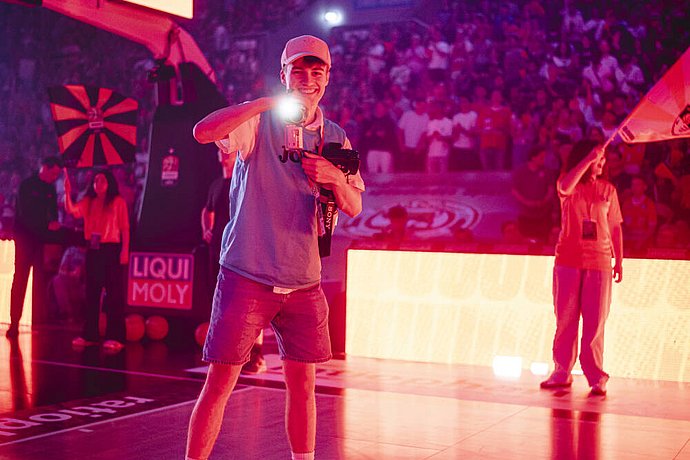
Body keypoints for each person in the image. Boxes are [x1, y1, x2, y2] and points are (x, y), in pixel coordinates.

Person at [186, 35, 364, 460]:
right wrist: (266, 104)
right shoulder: (257, 122)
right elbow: (203, 132)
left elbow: (354, 206)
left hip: (304, 281)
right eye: (297, 71)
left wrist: (334, 179)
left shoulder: (336, 136)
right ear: (283, 75)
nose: (307, 80)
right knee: (220, 384)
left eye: (316, 71)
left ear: (328, 78)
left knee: (303, 387)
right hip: (247, 275)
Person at [540, 140, 623, 396]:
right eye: (598, 159)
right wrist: (588, 158)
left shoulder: (608, 190)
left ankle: (596, 376)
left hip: (599, 261)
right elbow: (564, 186)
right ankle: (561, 371)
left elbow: (615, 226)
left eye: (603, 159)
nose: (602, 163)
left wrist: (619, 260)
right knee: (565, 318)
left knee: (595, 321)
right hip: (568, 260)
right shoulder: (568, 183)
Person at [200, 149, 266, 374]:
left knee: (248, 302)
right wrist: (206, 229)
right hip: (218, 249)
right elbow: (206, 210)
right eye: (220, 150)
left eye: (227, 149)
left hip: (241, 249)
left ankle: (256, 355)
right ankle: (228, 353)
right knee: (221, 300)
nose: (223, 153)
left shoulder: (246, 180)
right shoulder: (216, 185)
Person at [63, 169, 130, 352]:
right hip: (93, 249)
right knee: (92, 293)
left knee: (114, 294)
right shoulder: (88, 201)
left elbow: (125, 228)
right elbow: (72, 210)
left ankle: (115, 336)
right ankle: (90, 334)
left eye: (102, 180)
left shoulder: (117, 201)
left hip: (111, 248)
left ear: (109, 183)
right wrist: (67, 192)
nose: (98, 183)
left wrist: (124, 250)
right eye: (96, 180)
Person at [6, 156, 63, 339]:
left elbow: (53, 213)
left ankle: (39, 318)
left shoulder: (51, 189)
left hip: (40, 239)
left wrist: (54, 222)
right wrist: (47, 224)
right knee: (20, 278)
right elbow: (25, 213)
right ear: (44, 167)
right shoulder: (27, 185)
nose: (55, 177)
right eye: (54, 173)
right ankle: (14, 322)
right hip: (25, 238)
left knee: (38, 280)